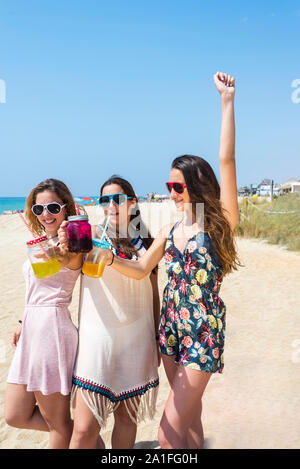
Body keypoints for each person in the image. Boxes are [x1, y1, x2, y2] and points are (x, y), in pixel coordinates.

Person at [100, 72, 240, 449]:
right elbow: (142, 268)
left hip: (203, 333)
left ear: (196, 183)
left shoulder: (220, 224)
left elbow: (226, 159)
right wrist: (110, 259)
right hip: (170, 331)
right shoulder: (168, 228)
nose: (172, 193)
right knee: (190, 422)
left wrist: (226, 102)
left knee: (167, 433)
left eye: (178, 186)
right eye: (168, 186)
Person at [58, 176, 160, 449]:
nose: (111, 205)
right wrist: (62, 243)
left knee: (127, 422)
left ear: (133, 202)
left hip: (137, 338)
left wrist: (156, 338)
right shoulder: (89, 234)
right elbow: (68, 262)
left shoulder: (146, 242)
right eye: (105, 200)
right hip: (97, 338)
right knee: (83, 430)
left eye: (119, 199)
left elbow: (152, 290)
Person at [5, 179, 82, 449]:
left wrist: (67, 235)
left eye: (52, 207)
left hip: (52, 330)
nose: (45, 214)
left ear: (65, 208)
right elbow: (37, 289)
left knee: (57, 424)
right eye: (39, 210)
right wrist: (22, 321)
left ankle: (80, 437)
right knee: (14, 415)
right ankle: (86, 439)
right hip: (32, 328)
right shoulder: (43, 243)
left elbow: (68, 259)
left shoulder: (71, 244)